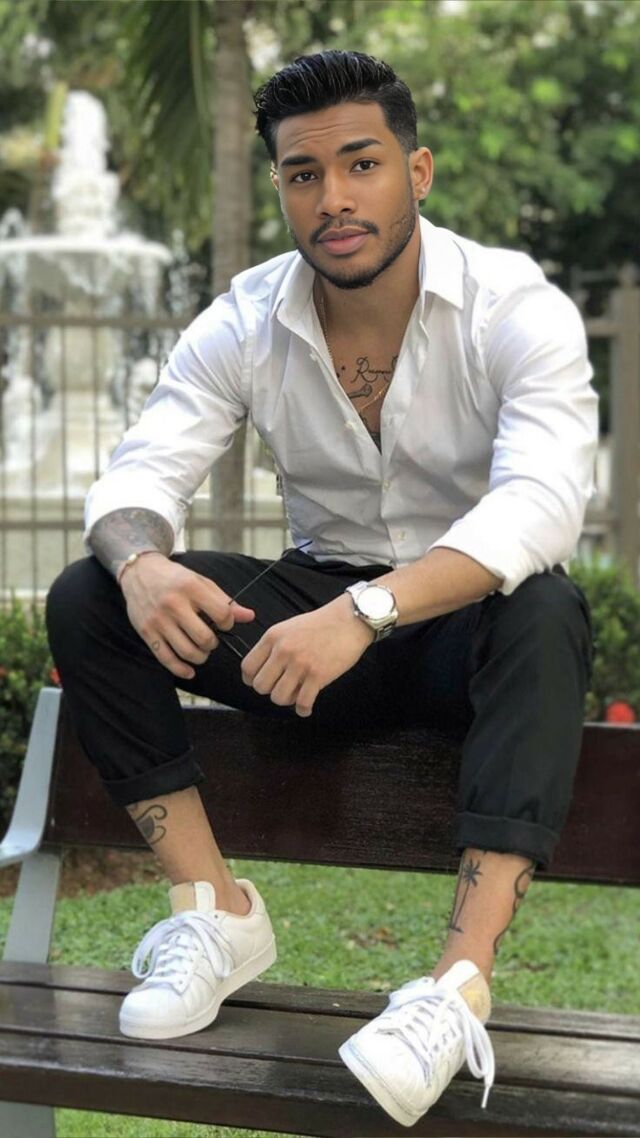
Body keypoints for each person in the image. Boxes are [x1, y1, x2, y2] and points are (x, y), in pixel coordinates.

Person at [46, 49, 597, 1128]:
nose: (334, 197)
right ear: (282, 189)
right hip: (313, 627)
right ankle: (215, 910)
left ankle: (455, 988)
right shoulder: (247, 318)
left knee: (544, 606)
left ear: (417, 171)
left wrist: (366, 611)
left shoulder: (512, 306)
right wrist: (144, 563)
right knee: (92, 591)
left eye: (361, 164)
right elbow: (138, 475)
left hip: (457, 628)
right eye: (304, 174)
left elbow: (538, 507)